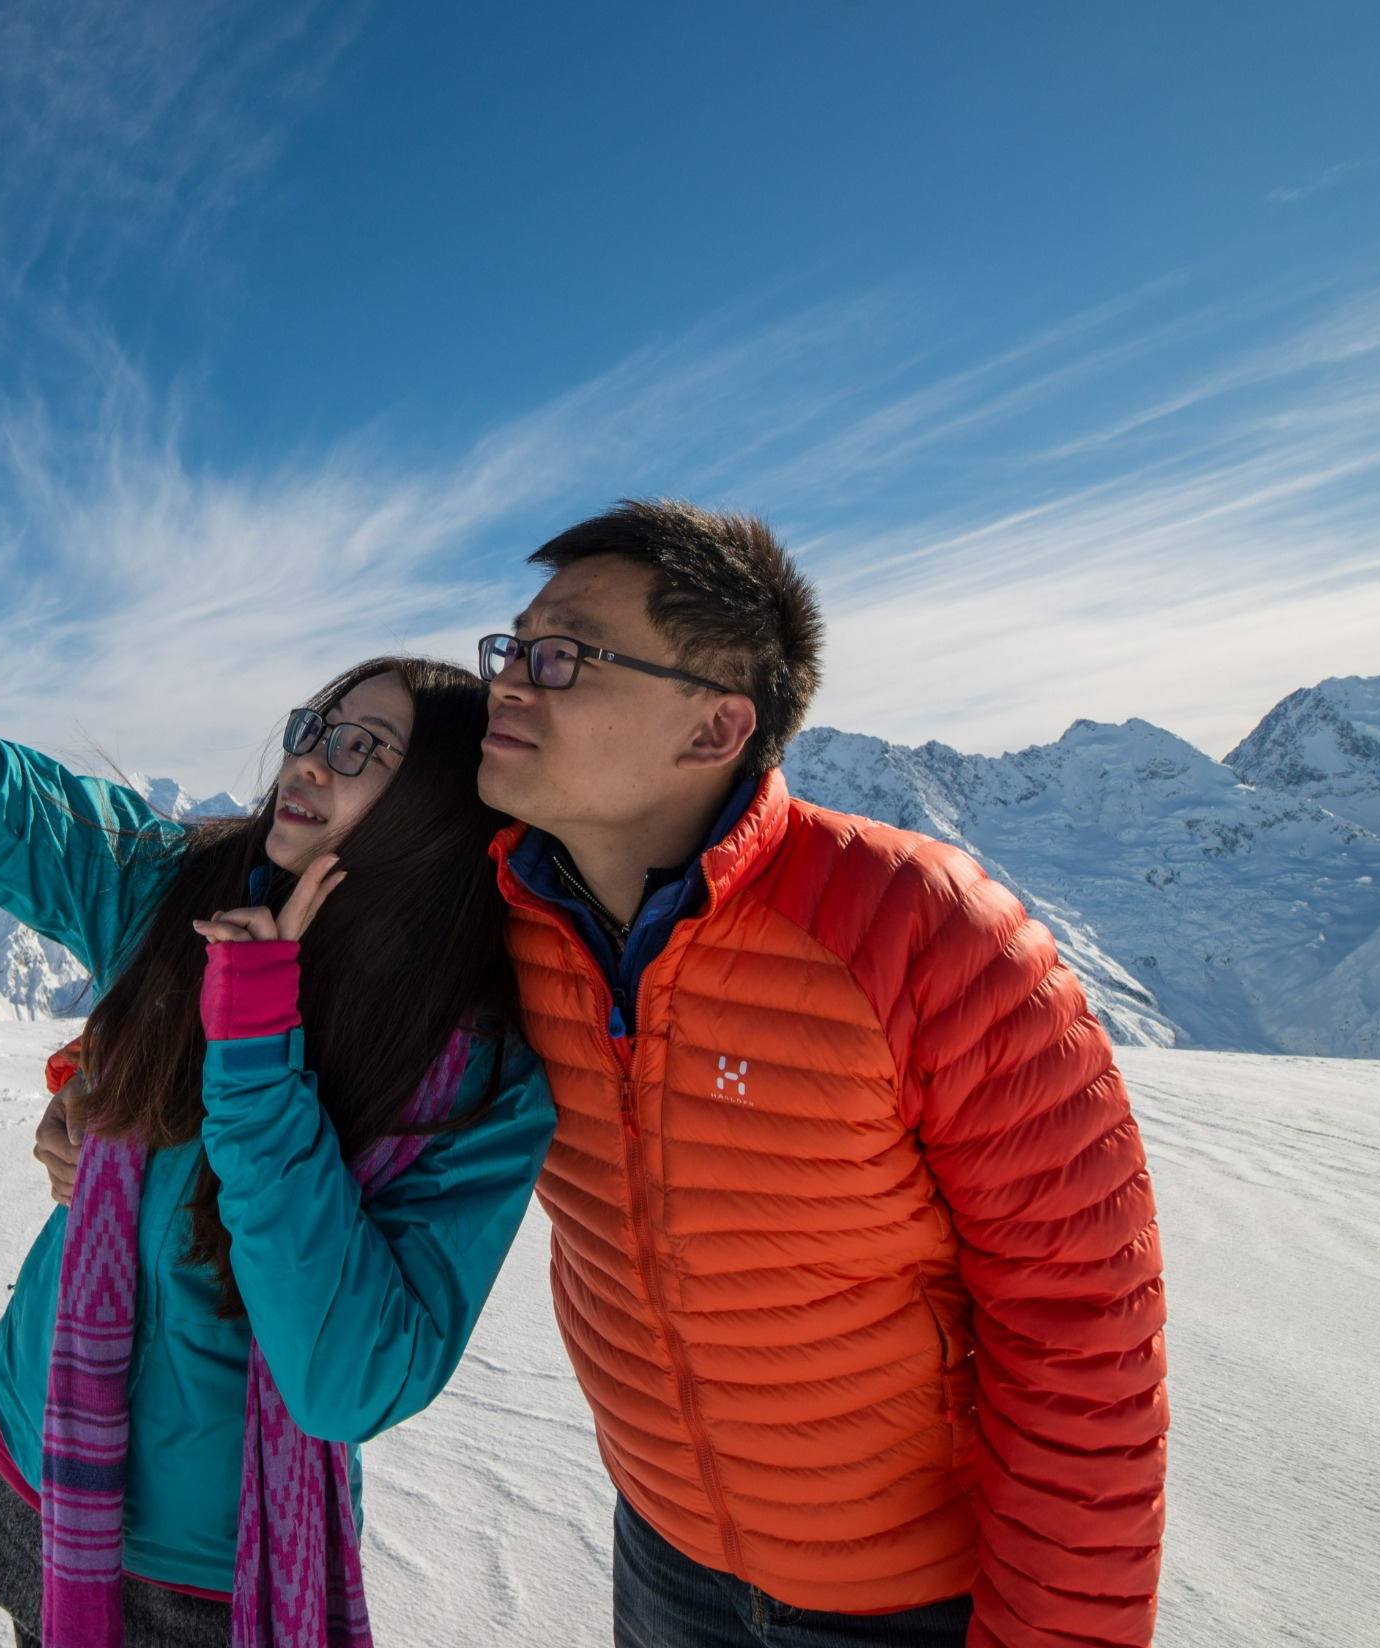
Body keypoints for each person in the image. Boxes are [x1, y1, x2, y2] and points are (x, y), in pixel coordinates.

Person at [0, 402, 558, 1648]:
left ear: (436, 814)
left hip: (212, 1565)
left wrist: (252, 1053)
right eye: (313, 728)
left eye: (361, 749)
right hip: (46, 1455)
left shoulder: (482, 1079)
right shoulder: (167, 892)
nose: (308, 760)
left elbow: (348, 1375)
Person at [463, 499, 1168, 1648]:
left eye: (563, 654)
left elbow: (1084, 1325)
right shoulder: (502, 922)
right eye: (511, 646)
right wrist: (116, 1089)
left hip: (910, 1604)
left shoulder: (925, 932)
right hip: (665, 1553)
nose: (510, 681)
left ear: (712, 730)